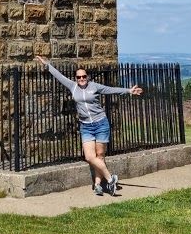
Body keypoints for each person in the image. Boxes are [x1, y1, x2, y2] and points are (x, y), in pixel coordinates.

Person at [36, 54, 143, 196]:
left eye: (84, 76)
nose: (81, 79)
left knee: (100, 156)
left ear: (87, 77)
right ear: (76, 78)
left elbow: (110, 90)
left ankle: (98, 185)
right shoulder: (72, 86)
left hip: (101, 124)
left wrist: (129, 91)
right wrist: (47, 64)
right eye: (79, 77)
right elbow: (59, 76)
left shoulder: (94, 86)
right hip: (86, 126)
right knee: (89, 157)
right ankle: (111, 179)